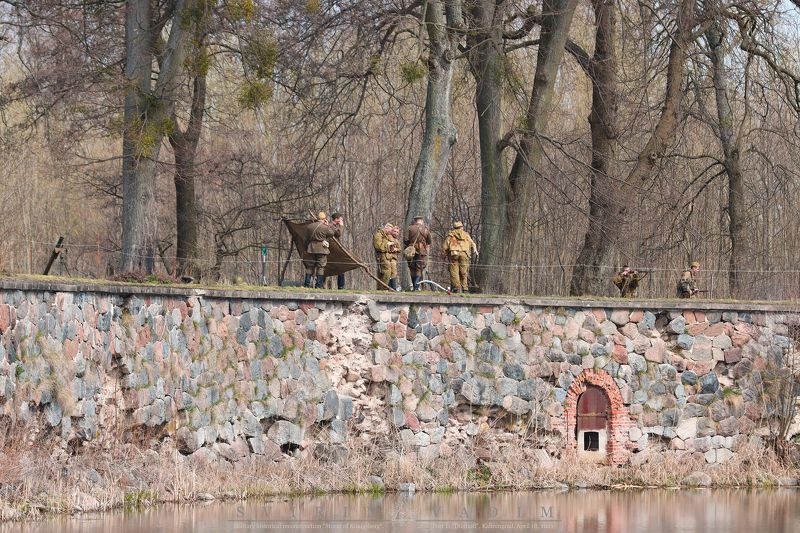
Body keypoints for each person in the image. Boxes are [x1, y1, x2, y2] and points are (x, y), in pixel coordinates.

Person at [442, 221, 477, 293]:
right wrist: (475, 250)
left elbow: (445, 246)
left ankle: (456, 288)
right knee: (464, 272)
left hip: (454, 254)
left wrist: (444, 255)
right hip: (464, 254)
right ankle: (465, 288)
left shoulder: (451, 235)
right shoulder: (466, 235)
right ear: (462, 227)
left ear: (454, 227)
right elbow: (472, 243)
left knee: (454, 271)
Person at [304, 211, 335, 288]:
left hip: (311, 248)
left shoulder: (309, 226)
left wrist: (306, 248)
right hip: (322, 249)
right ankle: (318, 285)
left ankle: (306, 285)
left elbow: (306, 239)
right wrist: (327, 225)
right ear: (324, 219)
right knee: (320, 267)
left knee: (310, 266)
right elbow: (332, 233)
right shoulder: (325, 227)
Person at [405, 215, 432, 291]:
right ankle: (416, 287)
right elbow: (429, 241)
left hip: (411, 250)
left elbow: (405, 240)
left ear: (415, 221)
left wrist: (410, 245)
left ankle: (414, 286)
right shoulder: (425, 229)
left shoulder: (410, 228)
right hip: (422, 251)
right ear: (421, 221)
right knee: (419, 269)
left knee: (412, 268)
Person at [373, 223, 400, 290]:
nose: (390, 232)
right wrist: (388, 245)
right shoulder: (378, 235)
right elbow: (378, 246)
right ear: (386, 228)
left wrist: (393, 248)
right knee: (386, 273)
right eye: (390, 230)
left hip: (388, 257)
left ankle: (388, 288)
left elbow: (398, 248)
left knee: (390, 273)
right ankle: (383, 289)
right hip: (382, 257)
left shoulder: (385, 235)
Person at [329, 212, 346, 290]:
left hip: (335, 250)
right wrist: (342, 226)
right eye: (340, 218)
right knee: (340, 267)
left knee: (341, 268)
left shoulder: (335, 226)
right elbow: (338, 234)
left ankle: (341, 286)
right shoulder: (331, 226)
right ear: (336, 219)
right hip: (332, 250)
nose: (341, 219)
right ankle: (341, 286)